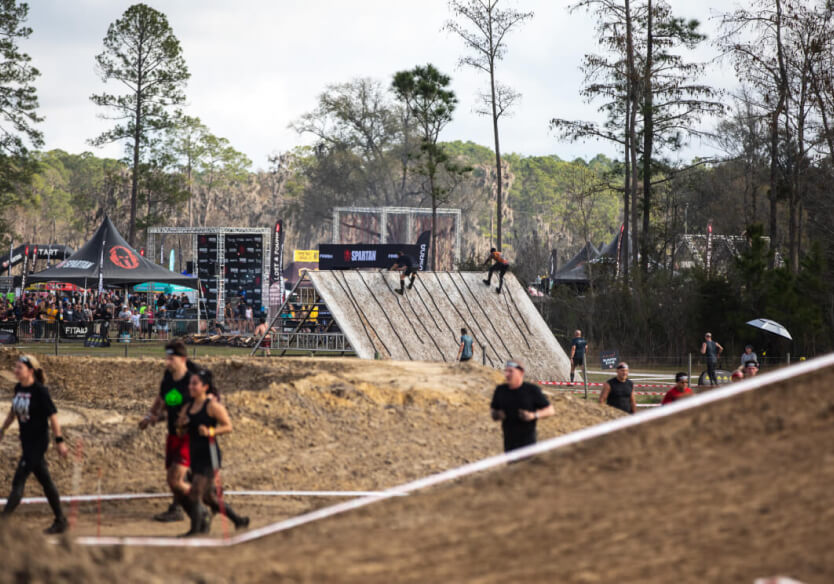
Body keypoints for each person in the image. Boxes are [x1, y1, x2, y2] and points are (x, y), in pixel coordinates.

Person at [0, 355, 69, 534]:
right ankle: (60, 520)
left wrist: (59, 441)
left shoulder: (40, 391)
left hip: (38, 442)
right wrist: (3, 431)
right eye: (15, 367)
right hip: (26, 441)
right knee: (45, 480)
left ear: (30, 371)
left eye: (19, 368)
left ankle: (3, 521)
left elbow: (53, 417)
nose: (15, 371)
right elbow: (13, 413)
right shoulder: (18, 388)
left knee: (19, 479)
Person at [176, 368, 248, 536]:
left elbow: (228, 426)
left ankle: (196, 529)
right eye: (190, 383)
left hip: (209, 456)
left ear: (205, 387)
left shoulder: (212, 407)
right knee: (208, 498)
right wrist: (181, 425)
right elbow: (180, 432)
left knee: (194, 495)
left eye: (195, 384)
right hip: (194, 455)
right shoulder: (188, 407)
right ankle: (239, 520)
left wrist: (210, 432)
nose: (191, 387)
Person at [138, 340, 196, 523]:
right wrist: (152, 415)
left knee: (176, 476)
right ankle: (191, 501)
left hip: (189, 434)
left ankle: (188, 506)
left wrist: (190, 418)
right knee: (178, 474)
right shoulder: (168, 377)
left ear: (182, 359)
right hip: (173, 433)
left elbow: (203, 403)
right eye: (167, 358)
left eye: (171, 359)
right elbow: (162, 398)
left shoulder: (192, 380)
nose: (167, 362)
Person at [490, 359, 555, 452]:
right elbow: (493, 410)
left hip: (528, 445)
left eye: (511, 371)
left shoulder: (531, 390)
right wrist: (496, 414)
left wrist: (533, 415)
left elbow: (550, 410)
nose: (507, 374)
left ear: (521, 372)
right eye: (506, 371)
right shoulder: (501, 390)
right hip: (509, 445)